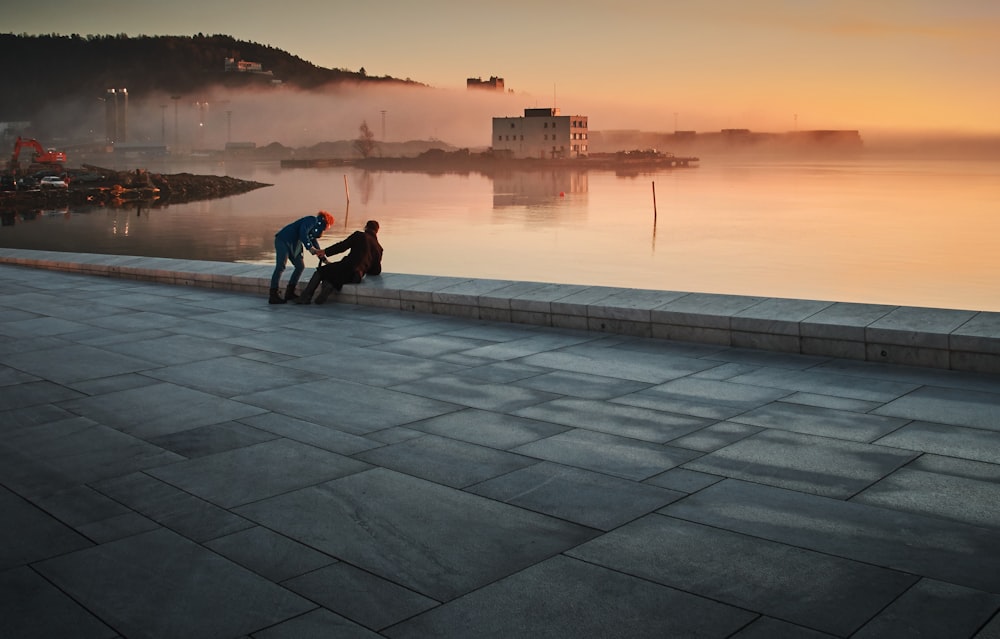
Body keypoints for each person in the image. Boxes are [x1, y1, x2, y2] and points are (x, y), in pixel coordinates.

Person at [297, 220, 383, 305]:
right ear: (377, 231)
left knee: (320, 271)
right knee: (337, 277)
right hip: (357, 276)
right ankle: (329, 286)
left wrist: (325, 251)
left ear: (366, 227)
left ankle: (305, 298)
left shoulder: (359, 235)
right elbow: (376, 270)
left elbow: (342, 246)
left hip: (345, 266)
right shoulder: (379, 248)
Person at [268, 210, 334, 304]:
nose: (327, 229)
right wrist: (310, 248)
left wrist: (323, 259)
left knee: (300, 266)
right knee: (280, 266)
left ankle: (290, 292)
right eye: (329, 226)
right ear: (326, 221)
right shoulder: (312, 220)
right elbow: (303, 233)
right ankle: (273, 294)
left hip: (295, 245)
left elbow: (314, 243)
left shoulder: (315, 230)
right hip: (284, 240)